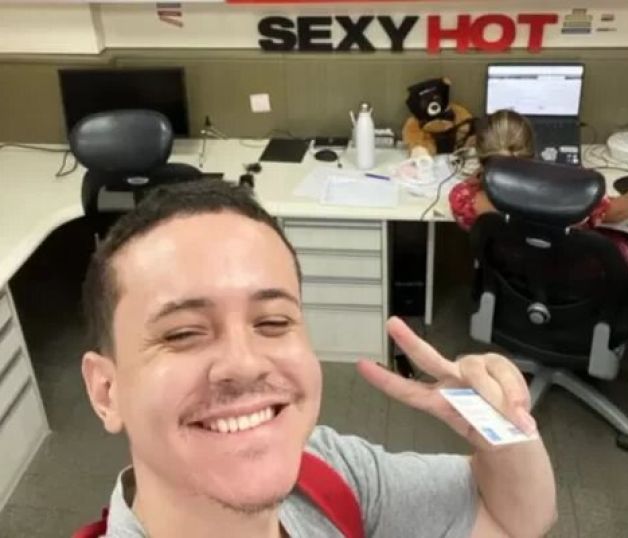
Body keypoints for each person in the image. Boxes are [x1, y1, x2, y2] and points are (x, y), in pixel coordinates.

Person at [80, 179, 556, 538]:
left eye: (273, 322)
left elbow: (515, 520)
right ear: (106, 392)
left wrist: (502, 432)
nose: (245, 364)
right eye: (183, 333)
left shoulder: (324, 469)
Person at [449, 109, 628, 275]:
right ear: (532, 151)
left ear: (480, 154)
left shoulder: (463, 199)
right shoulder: (575, 195)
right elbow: (618, 211)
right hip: (571, 276)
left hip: (511, 278)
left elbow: (472, 186)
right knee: (625, 246)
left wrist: (484, 172)